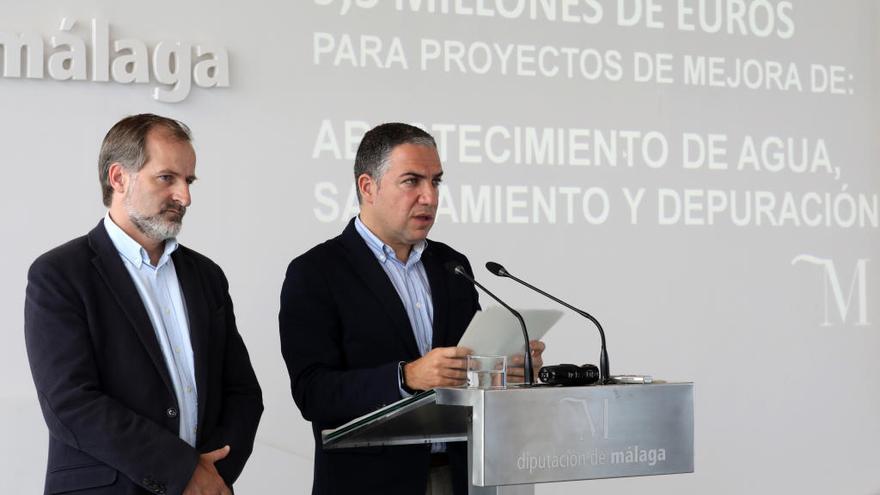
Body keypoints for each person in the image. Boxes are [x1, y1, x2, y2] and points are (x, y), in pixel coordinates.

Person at [279, 123, 544, 494]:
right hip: (371, 484)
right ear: (367, 187)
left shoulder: (453, 267)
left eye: (436, 182)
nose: (429, 197)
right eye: (412, 181)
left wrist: (503, 370)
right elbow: (313, 392)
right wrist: (405, 378)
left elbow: (466, 369)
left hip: (460, 477)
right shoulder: (317, 272)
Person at [24, 114, 263, 495]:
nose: (184, 196)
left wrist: (212, 476)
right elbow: (70, 402)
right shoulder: (59, 274)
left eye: (189, 181)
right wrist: (183, 472)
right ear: (119, 178)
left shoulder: (206, 276)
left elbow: (243, 393)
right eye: (167, 178)